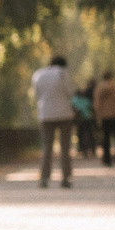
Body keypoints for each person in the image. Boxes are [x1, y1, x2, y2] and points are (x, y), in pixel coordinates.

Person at [32, 54, 75, 187]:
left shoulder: (38, 74)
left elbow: (36, 94)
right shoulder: (63, 73)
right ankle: (65, 178)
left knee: (46, 147)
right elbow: (70, 92)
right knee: (65, 147)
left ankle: (44, 178)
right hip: (64, 114)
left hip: (45, 114)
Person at [93, 70, 115, 166]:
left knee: (106, 138)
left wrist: (98, 115)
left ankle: (107, 158)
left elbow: (96, 104)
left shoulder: (99, 88)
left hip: (104, 117)